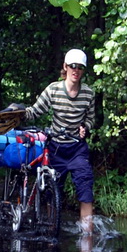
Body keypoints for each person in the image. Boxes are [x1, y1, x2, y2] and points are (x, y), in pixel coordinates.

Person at [24, 48, 96, 233]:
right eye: (72, 66)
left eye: (80, 67)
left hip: (77, 149)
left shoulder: (88, 94)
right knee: (52, 192)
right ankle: (51, 230)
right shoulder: (53, 89)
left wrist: (85, 127)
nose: (76, 70)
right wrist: (18, 114)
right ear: (65, 66)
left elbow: (91, 119)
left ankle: (87, 238)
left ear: (83, 70)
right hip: (56, 147)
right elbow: (35, 111)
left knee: (86, 189)